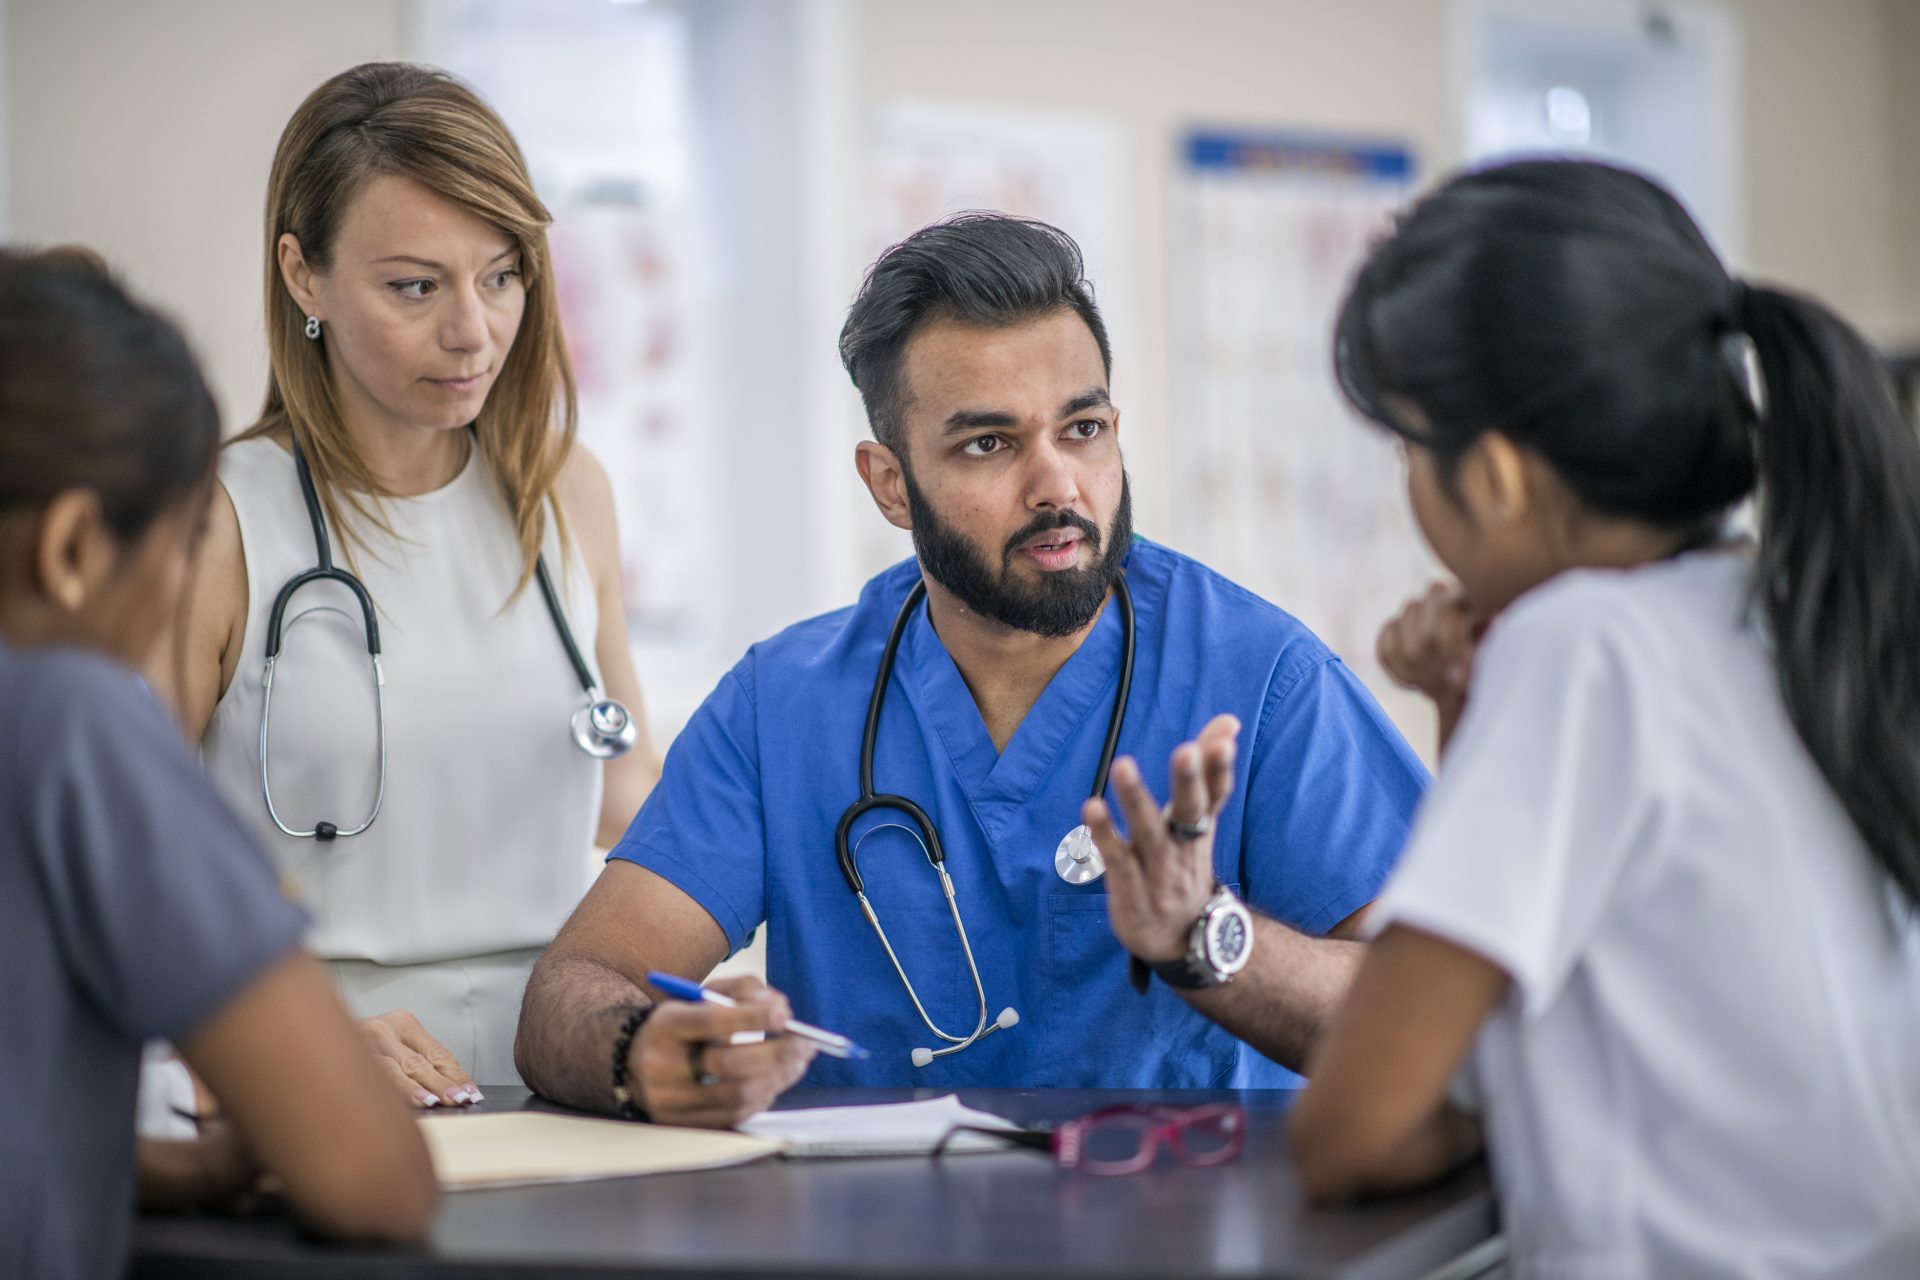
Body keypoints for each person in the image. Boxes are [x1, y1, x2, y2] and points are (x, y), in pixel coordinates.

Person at [514, 213, 1429, 1126]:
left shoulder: (1263, 681)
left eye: (1083, 427)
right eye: (988, 444)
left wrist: (1209, 942)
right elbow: (576, 983)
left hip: (1183, 1236)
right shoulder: (782, 708)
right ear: (890, 484)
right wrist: (645, 1051)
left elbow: (1425, 1015)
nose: (1058, 485)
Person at [1270, 159, 1920, 1275]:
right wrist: (1466, 707)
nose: (1409, 484)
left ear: (1506, 476)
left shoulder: (1584, 647)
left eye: (1411, 446)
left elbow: (1354, 1128)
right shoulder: (1788, 608)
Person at [152, 62, 662, 1100]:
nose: (474, 331)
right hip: (322, 1078)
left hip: (552, 1074)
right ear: (305, 276)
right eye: (415, 285)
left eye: (503, 274)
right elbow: (122, 863)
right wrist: (290, 1042)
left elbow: (631, 797)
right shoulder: (215, 517)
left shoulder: (566, 490)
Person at [0, 251, 437, 1279]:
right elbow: (373, 1177)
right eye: (186, 539)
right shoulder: (71, 717)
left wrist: (167, 1166)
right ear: (71, 550)